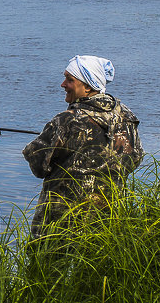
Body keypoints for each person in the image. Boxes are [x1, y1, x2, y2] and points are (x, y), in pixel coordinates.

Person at [21, 55, 143, 238]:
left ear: (87, 86)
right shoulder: (126, 117)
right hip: (107, 222)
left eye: (70, 80)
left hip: (60, 225)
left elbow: (38, 165)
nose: (63, 84)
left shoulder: (66, 121)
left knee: (46, 265)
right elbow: (135, 158)